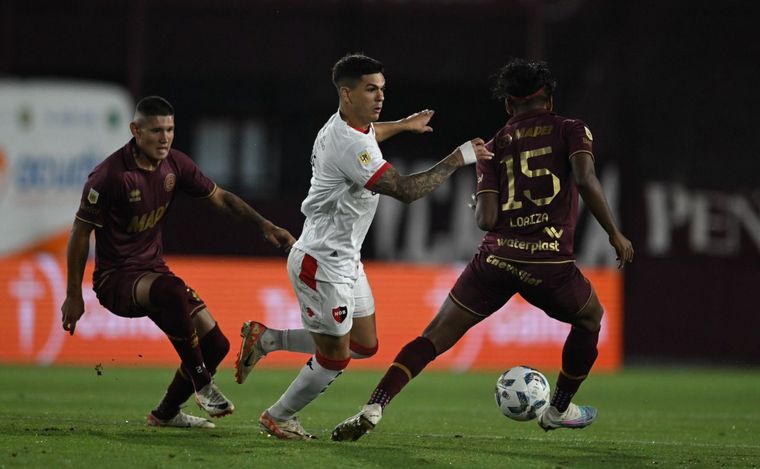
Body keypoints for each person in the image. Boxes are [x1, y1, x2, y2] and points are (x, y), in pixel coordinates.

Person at [331, 58, 635, 441]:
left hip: (495, 259)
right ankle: (558, 408)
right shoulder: (571, 129)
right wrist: (614, 233)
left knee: (432, 338)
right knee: (590, 318)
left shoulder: (494, 146)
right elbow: (586, 179)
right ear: (550, 100)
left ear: (509, 106)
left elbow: (486, 220)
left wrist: (482, 202)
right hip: (547, 260)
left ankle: (373, 406)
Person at [234, 53, 493, 440]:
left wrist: (403, 126)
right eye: (371, 89)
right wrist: (456, 159)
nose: (380, 97)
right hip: (321, 262)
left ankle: (268, 338)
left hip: (346, 260)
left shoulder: (352, 125)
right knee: (335, 357)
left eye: (383, 89)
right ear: (346, 93)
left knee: (364, 344)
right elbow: (405, 191)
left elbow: (371, 135)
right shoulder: (348, 145)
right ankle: (278, 416)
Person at [60, 96, 296, 429]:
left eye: (169, 129)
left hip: (154, 273)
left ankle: (166, 413)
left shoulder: (175, 165)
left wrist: (264, 224)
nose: (164, 137)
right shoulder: (109, 176)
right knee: (171, 291)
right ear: (135, 131)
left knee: (217, 346)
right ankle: (202, 384)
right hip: (116, 281)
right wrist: (73, 294)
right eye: (156, 130)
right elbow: (80, 232)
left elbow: (220, 198)